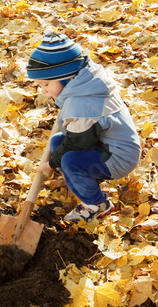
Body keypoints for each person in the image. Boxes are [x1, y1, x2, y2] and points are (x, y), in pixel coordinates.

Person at [27, 30, 141, 223]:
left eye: (46, 84)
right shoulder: (86, 82)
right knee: (57, 142)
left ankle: (97, 204)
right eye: (39, 85)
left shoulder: (82, 105)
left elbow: (74, 144)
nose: (43, 91)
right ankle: (86, 179)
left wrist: (51, 165)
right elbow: (73, 135)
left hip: (120, 156)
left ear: (66, 77)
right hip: (106, 143)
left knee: (70, 161)